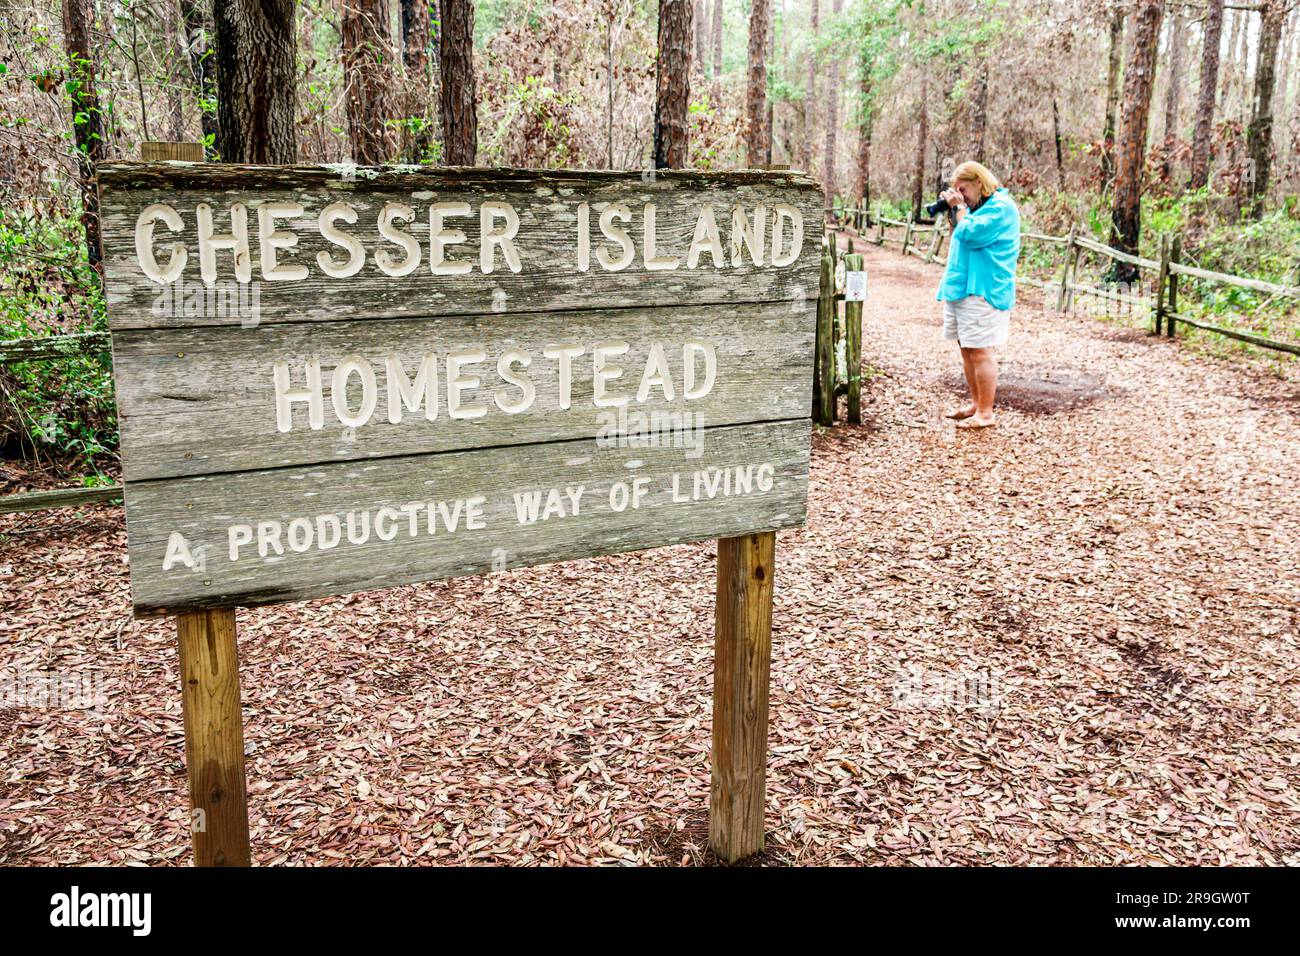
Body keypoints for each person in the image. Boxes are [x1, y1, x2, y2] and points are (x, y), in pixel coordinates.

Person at [935, 161, 1021, 429]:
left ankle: (986, 413)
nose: (960, 194)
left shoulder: (1001, 208)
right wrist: (954, 211)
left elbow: (971, 234)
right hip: (961, 287)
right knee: (966, 349)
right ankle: (976, 403)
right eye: (956, 190)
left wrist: (958, 208)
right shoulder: (973, 209)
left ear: (979, 182)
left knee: (980, 350)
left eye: (964, 188)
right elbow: (958, 235)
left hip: (985, 289)